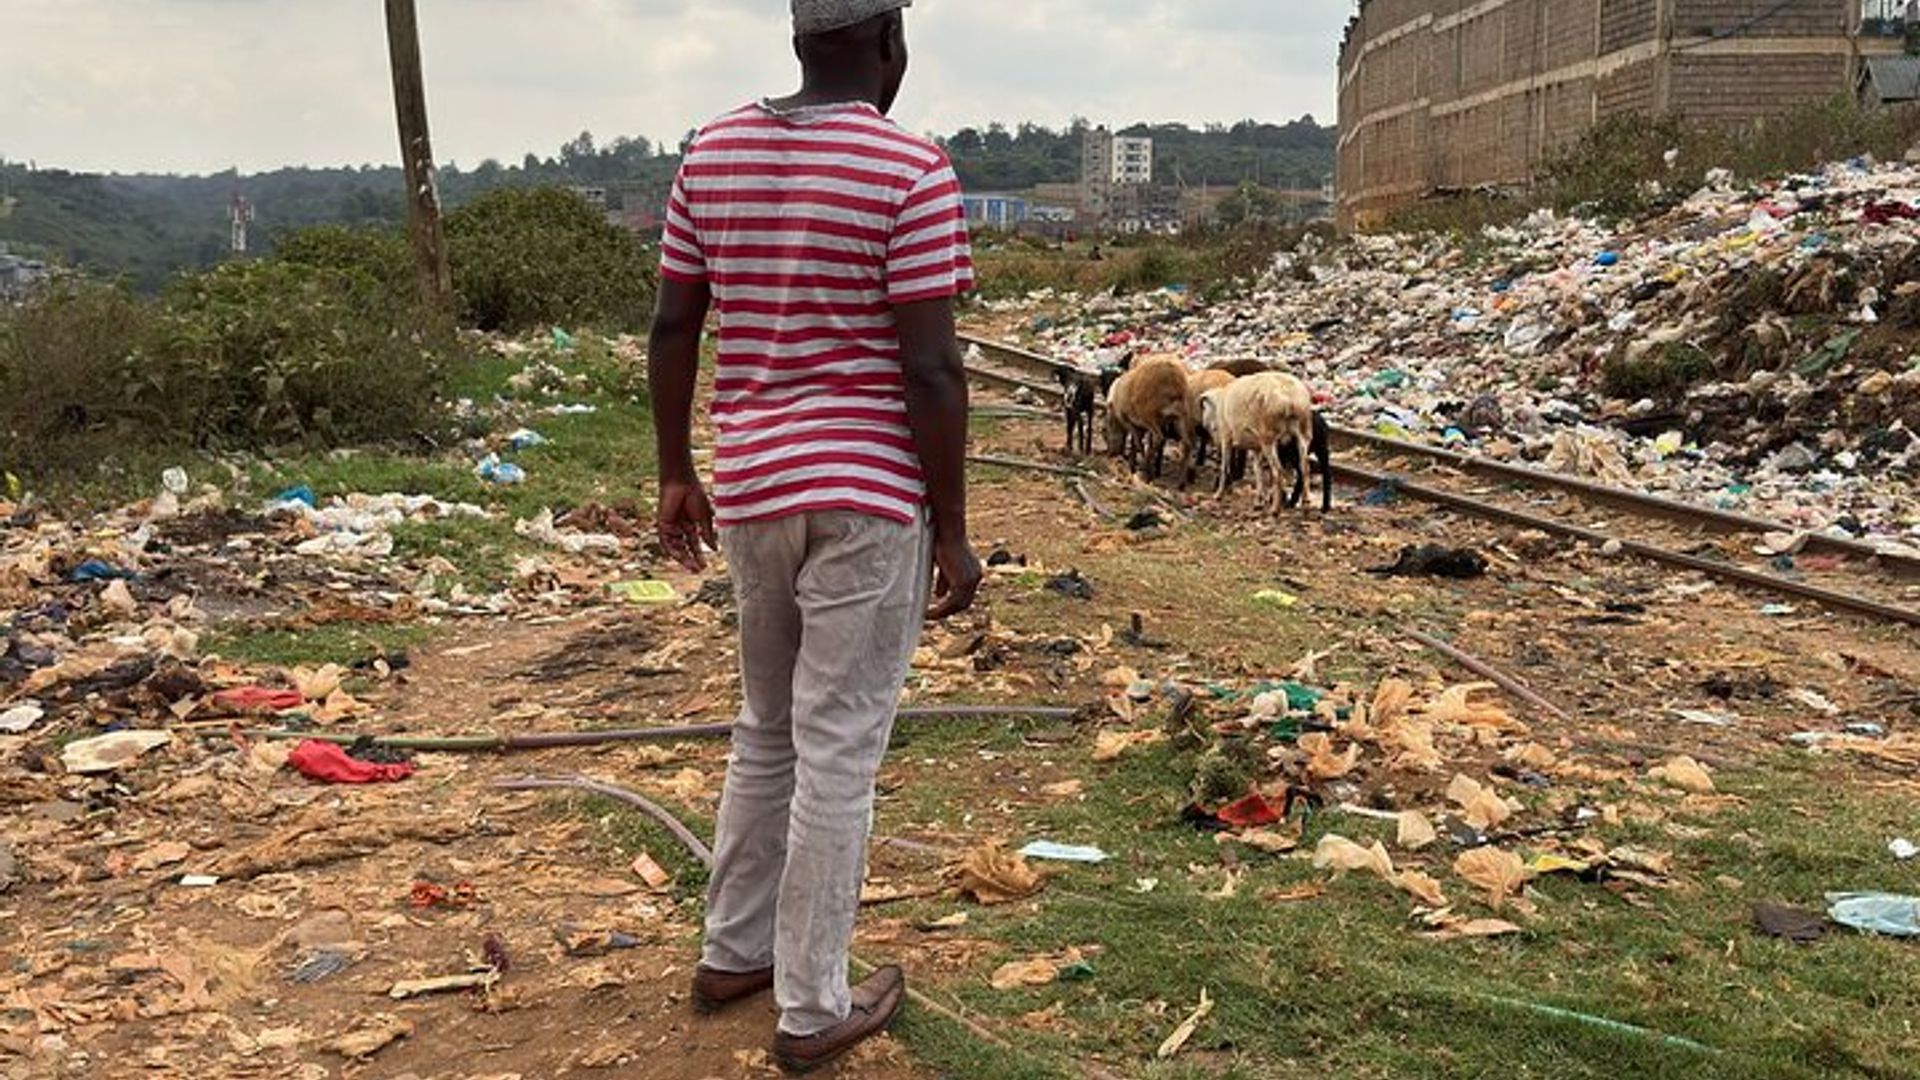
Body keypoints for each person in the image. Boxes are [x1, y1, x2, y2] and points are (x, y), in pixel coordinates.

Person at [646, 0, 982, 1072]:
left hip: (752, 490)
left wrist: (675, 472)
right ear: (889, 42)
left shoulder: (712, 153)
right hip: (866, 497)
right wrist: (955, 530)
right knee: (838, 741)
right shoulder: (911, 170)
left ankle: (732, 952)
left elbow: (674, 324)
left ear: (799, 40)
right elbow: (932, 369)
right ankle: (810, 1007)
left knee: (767, 726)